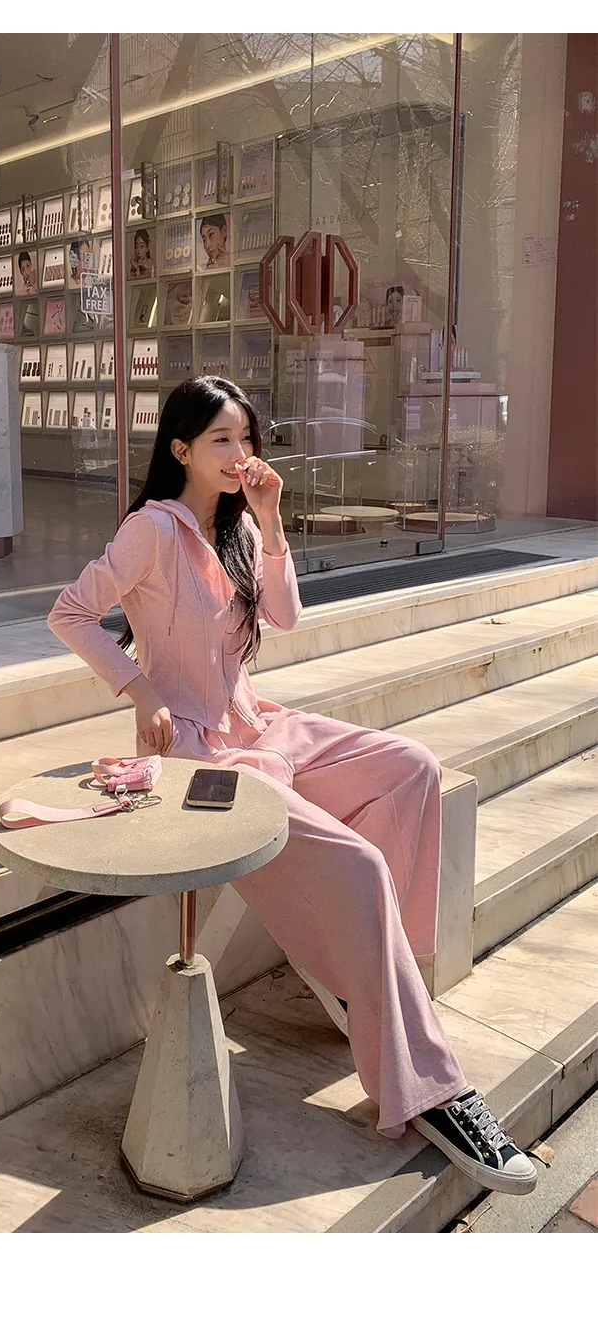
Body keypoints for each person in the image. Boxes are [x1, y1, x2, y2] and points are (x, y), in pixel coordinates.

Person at [49, 377, 536, 1188]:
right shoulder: (150, 529)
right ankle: (432, 1088)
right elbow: (69, 612)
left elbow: (286, 618)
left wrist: (272, 522)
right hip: (201, 755)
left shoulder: (241, 521)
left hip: (258, 721)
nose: (240, 453)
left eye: (247, 437)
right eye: (221, 439)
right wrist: (140, 689)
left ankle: (362, 982)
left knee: (412, 769)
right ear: (180, 448)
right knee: (360, 864)